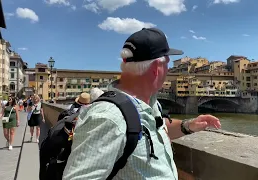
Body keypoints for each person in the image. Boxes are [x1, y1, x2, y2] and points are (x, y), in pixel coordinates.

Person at [62, 28, 221, 180]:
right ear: (156, 69)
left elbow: (154, 129)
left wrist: (188, 126)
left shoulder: (150, 103)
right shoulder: (108, 118)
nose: (169, 69)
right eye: (167, 64)